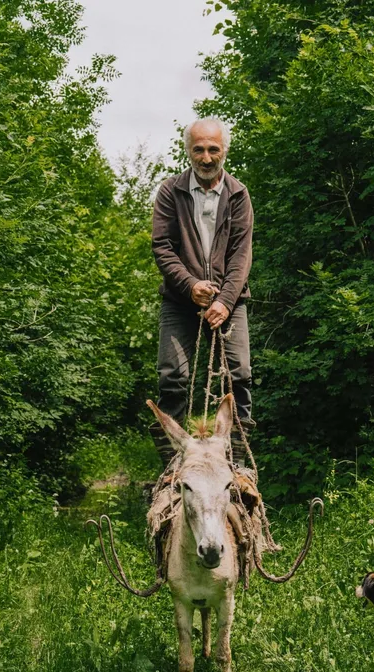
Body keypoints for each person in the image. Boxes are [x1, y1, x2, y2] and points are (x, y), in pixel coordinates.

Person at [150, 117, 255, 469]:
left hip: (230, 300)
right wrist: (191, 285)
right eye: (199, 149)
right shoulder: (170, 191)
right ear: (188, 151)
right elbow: (162, 246)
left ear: (224, 150)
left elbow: (242, 254)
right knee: (173, 376)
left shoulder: (238, 194)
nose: (206, 157)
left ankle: (237, 462)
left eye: (213, 149)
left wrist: (225, 301)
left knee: (238, 373)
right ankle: (172, 465)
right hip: (180, 301)